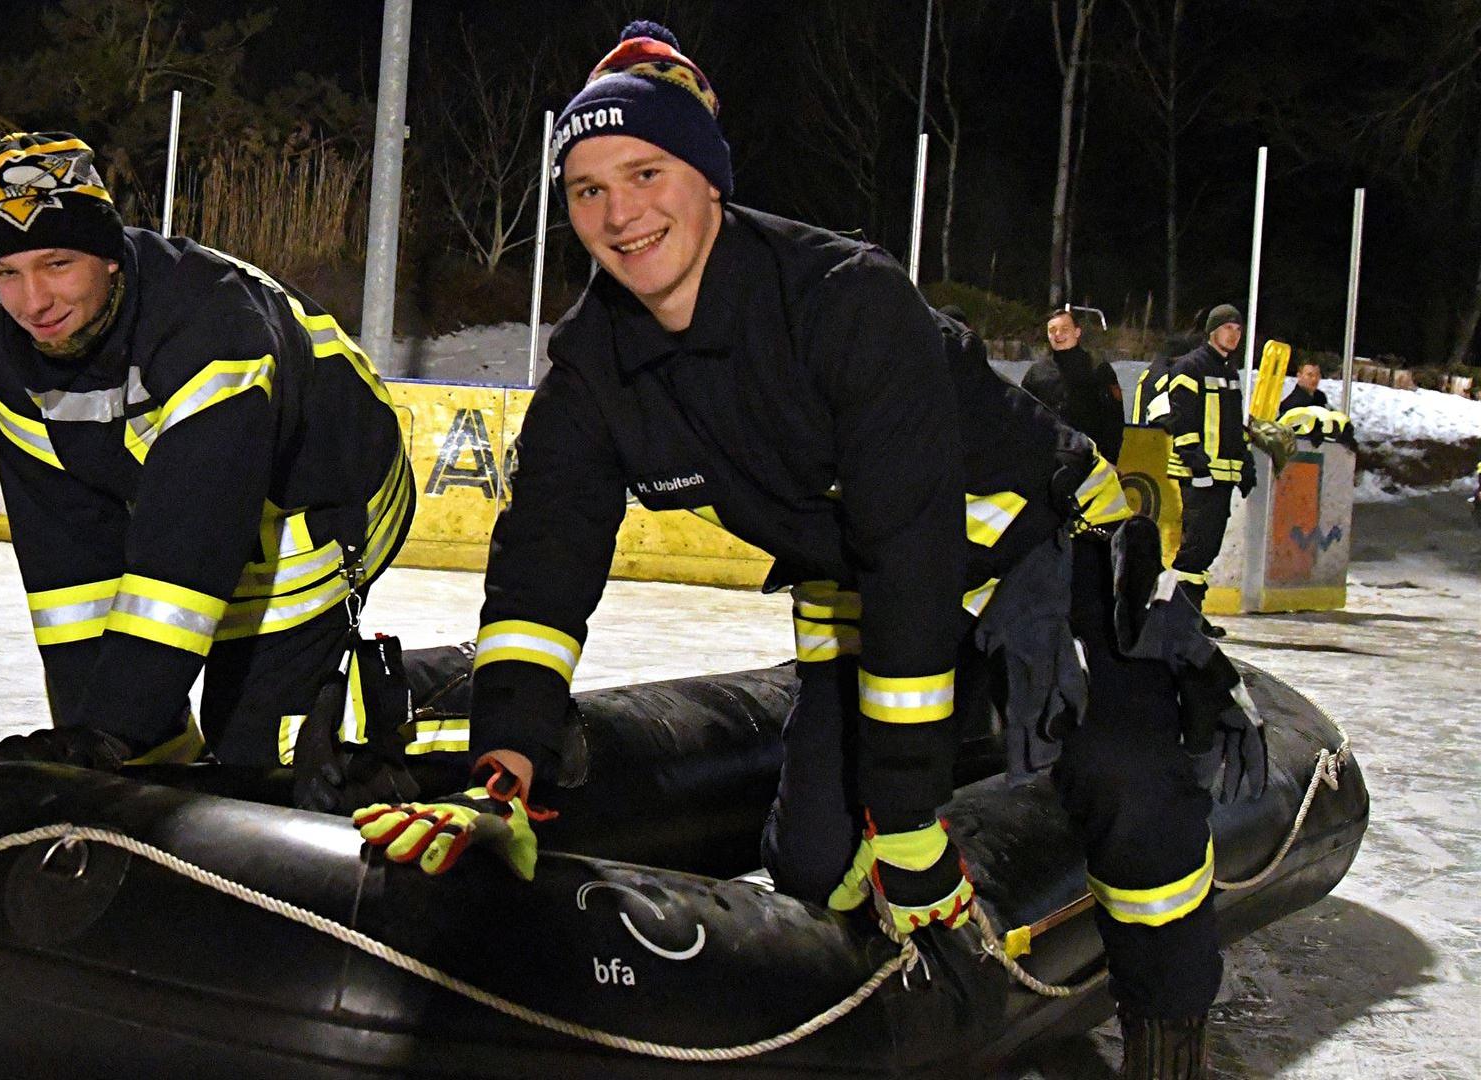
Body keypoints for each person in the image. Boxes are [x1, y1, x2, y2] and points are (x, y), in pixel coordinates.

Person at [352, 24, 1255, 1078]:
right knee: (817, 856)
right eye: (587, 188)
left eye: (645, 172)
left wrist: (912, 823)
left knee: (1128, 784)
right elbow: (542, 569)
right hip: (869, 586)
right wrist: (504, 767)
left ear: (709, 179)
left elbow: (911, 553)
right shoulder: (594, 368)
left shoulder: (844, 301)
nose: (619, 212)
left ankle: (1165, 1032)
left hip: (1042, 551)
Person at [0, 132, 413, 775]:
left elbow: (189, 545)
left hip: (319, 504)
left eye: (57, 263)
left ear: (111, 257)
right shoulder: (13, 365)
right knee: (128, 742)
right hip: (193, 511)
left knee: (257, 759)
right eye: (8, 273)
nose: (33, 303)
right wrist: (96, 739)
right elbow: (67, 565)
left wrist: (118, 728)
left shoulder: (211, 323)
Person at [1164, 304, 1256, 632]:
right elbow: (1181, 418)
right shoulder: (1191, 367)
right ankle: (1174, 618)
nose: (1234, 334)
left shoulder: (1229, 372)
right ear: (1212, 331)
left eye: (1238, 329)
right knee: (1195, 549)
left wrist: (1246, 463)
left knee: (1207, 549)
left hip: (1221, 476)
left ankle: (1187, 616)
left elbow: (1232, 427)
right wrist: (1194, 461)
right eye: (1228, 327)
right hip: (1199, 475)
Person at [1023, 306, 1125, 461]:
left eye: (1065, 329)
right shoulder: (1036, 373)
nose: (1058, 334)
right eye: (1052, 330)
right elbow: (1023, 415)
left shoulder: (1098, 369)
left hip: (1089, 460)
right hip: (1046, 460)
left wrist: (1110, 459)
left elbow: (1113, 419)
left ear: (1077, 332)